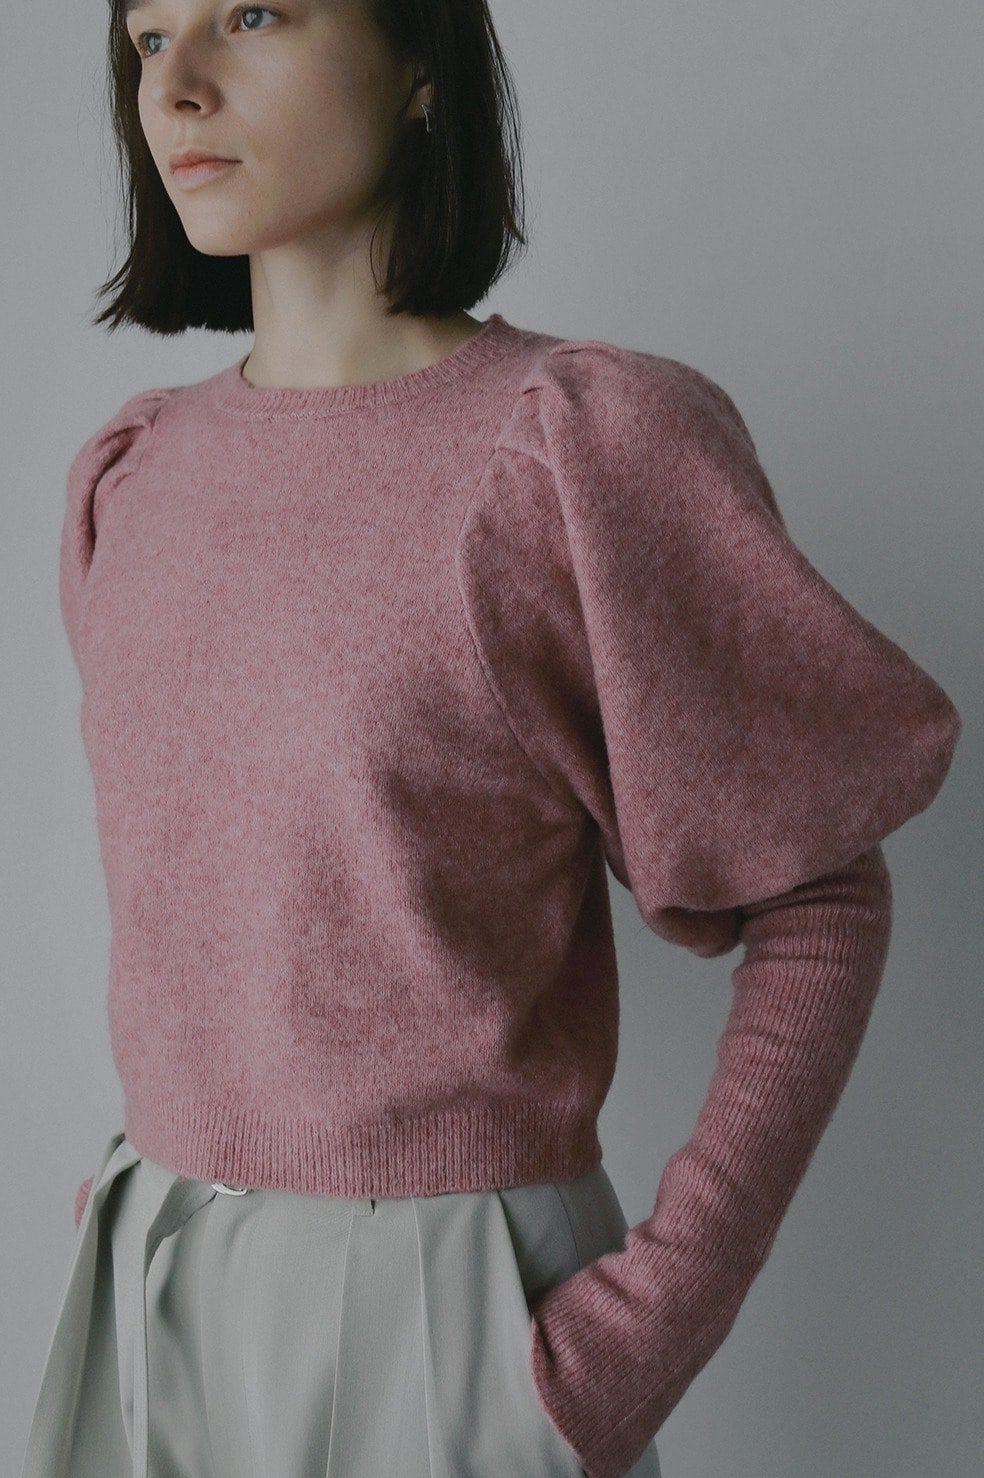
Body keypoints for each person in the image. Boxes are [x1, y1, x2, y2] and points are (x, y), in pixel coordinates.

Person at [22, 2, 962, 1476]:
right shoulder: (130, 481)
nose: (179, 87)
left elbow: (822, 896)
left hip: (450, 1318)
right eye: (148, 38)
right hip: (153, 1306)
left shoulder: (570, 451)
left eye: (253, 13)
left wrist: (644, 1330)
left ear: (419, 61)